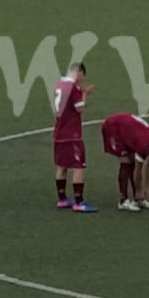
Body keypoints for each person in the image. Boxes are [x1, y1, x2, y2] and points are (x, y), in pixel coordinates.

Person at [101, 111, 149, 212]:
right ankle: (123, 201)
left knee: (131, 162)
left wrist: (147, 189)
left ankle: (138, 199)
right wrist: (140, 190)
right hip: (113, 126)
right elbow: (138, 171)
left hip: (127, 130)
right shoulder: (144, 145)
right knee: (127, 162)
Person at [53, 61, 95, 213]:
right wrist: (85, 93)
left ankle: (62, 199)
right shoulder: (73, 87)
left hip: (59, 132)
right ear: (79, 73)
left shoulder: (59, 84)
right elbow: (80, 108)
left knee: (61, 166)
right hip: (72, 134)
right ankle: (79, 202)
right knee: (78, 167)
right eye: (81, 76)